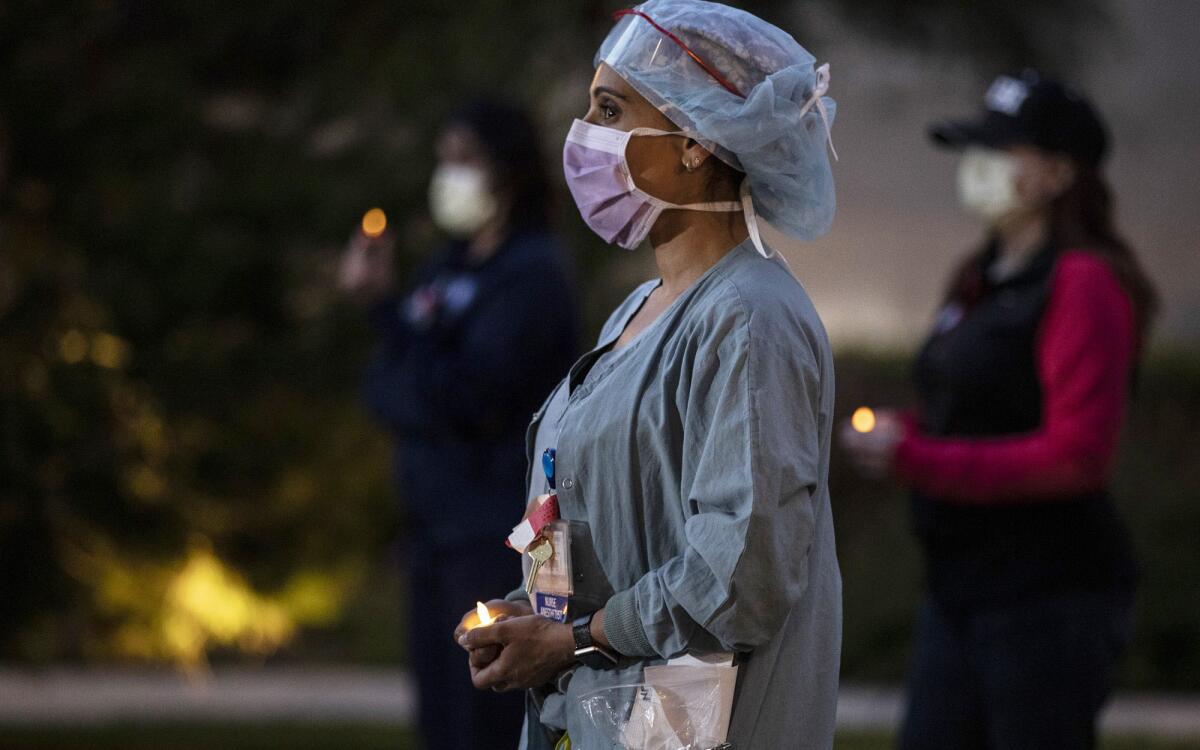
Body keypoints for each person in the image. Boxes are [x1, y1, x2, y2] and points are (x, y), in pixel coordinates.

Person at [455, 2, 842, 747]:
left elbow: (738, 575)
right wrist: (536, 612)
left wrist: (572, 642)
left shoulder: (749, 318)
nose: (585, 137)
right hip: (602, 718)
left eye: (610, 110)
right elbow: (621, 520)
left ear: (695, 140)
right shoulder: (642, 308)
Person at [840, 71, 1158, 749]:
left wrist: (917, 458)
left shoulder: (1084, 283)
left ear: (1057, 174)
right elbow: (977, 407)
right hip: (961, 589)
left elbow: (1076, 457)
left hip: (1046, 599)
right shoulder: (979, 277)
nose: (975, 167)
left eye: (1000, 151)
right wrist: (911, 433)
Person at [339, 98, 580, 750]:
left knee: (486, 721)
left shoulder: (531, 276)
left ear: (508, 170)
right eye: (444, 160)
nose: (450, 175)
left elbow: (470, 399)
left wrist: (407, 352)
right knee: (440, 722)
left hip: (494, 536)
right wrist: (386, 317)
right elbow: (387, 387)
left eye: (465, 160)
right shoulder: (447, 268)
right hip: (432, 532)